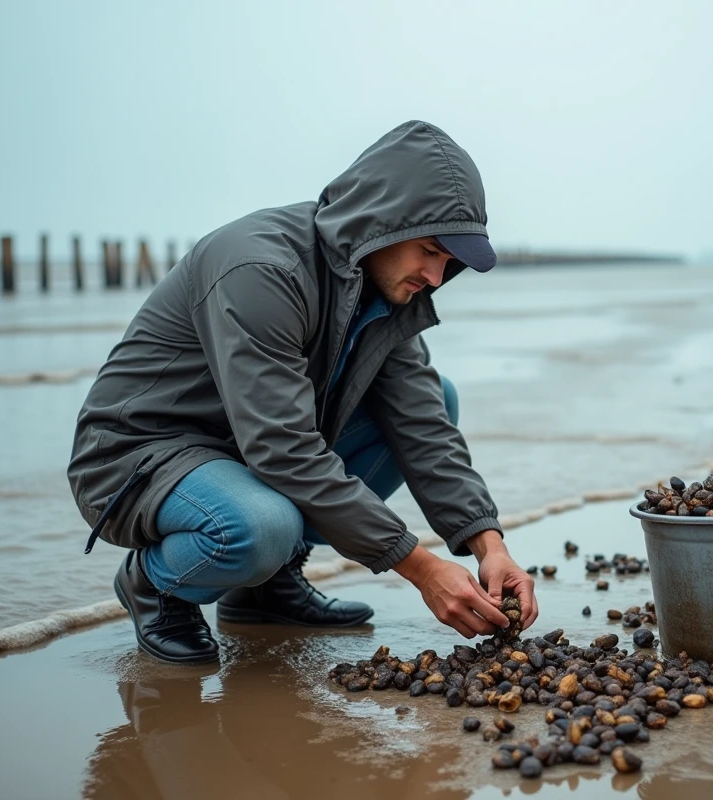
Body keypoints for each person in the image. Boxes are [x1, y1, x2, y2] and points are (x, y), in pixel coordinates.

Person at [68, 120, 538, 665]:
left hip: (246, 453)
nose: (436, 276)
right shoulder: (262, 268)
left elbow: (423, 425)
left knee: (440, 395)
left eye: (448, 262)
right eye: (431, 250)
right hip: (142, 453)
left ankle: (265, 590)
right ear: (382, 223)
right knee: (260, 525)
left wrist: (489, 544)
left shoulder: (386, 288)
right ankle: (156, 584)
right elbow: (283, 448)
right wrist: (422, 568)